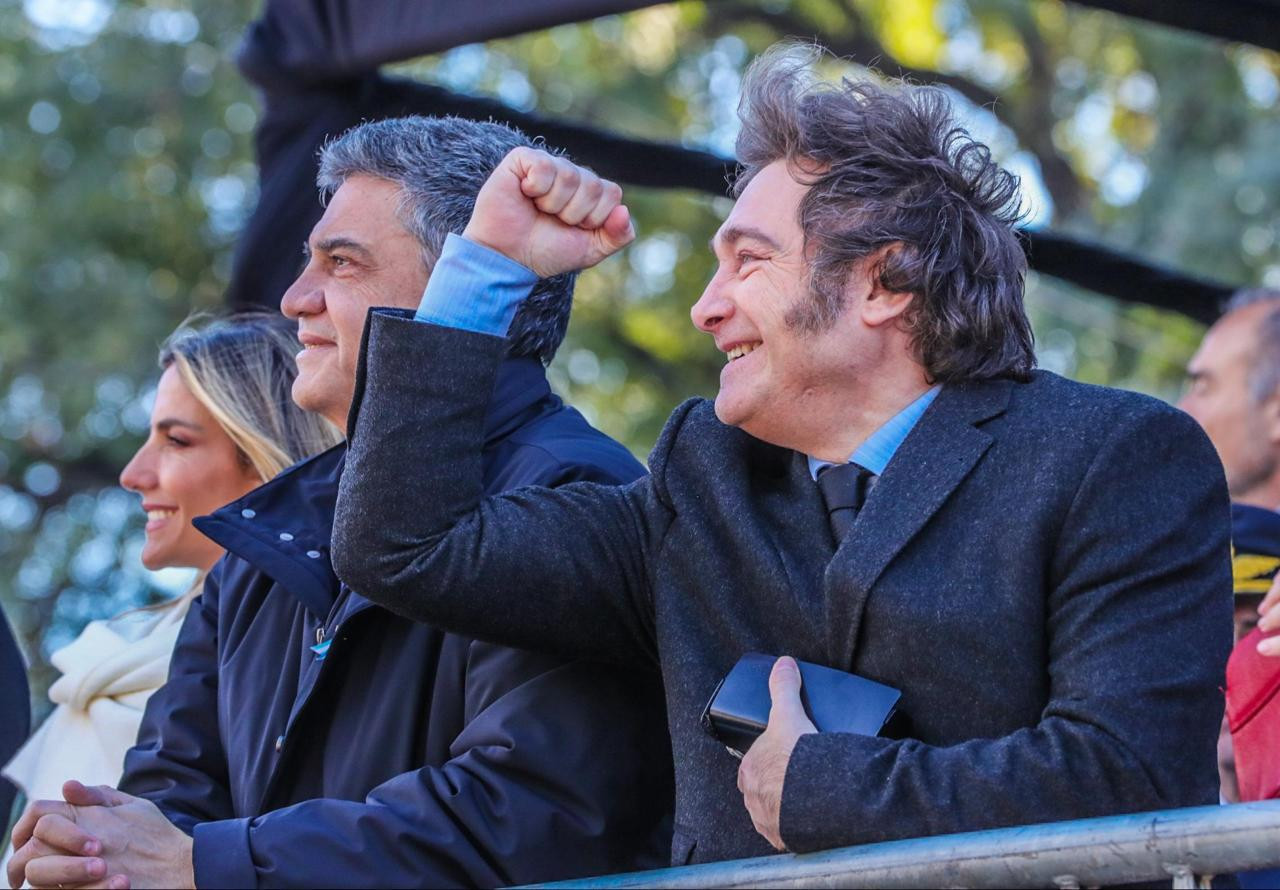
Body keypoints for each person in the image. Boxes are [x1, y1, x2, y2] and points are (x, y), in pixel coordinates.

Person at [330, 44, 1233, 864]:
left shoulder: (1117, 457)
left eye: (748, 260)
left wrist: (822, 789)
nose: (705, 307)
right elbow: (406, 548)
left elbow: (1131, 777)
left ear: (885, 281)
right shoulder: (701, 472)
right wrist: (486, 268)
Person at [7, 115, 671, 890]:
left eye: (341, 263)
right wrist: (98, 857)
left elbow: (531, 818)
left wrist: (210, 864)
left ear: (467, 285)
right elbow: (170, 805)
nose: (295, 299)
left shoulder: (574, 491)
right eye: (307, 262)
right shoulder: (261, 542)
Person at [1, 313, 339, 849]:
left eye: (176, 441)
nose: (133, 474)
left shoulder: (303, 662)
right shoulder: (102, 659)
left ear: (263, 455)